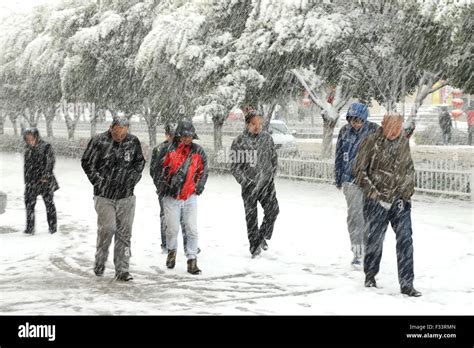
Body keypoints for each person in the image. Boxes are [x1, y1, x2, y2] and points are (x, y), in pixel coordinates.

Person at [353, 113, 421, 297]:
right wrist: (373, 192)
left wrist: (406, 193)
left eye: (398, 129)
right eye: (391, 128)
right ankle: (370, 275)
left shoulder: (403, 143)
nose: (394, 132)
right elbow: (358, 170)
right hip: (376, 200)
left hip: (400, 200)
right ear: (383, 126)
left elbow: (409, 170)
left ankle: (407, 284)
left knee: (406, 239)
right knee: (375, 239)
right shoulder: (371, 142)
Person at [81, 117, 145, 281]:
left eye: (123, 134)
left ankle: (122, 269)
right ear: (111, 128)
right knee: (107, 229)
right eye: (117, 133)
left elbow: (140, 162)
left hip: (126, 195)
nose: (120, 137)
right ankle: (100, 260)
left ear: (127, 130)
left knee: (125, 233)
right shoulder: (99, 141)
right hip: (104, 195)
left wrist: (133, 178)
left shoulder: (133, 142)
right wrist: (97, 180)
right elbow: (86, 162)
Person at [152, 120, 208, 275]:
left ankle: (192, 259)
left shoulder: (198, 151)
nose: (186, 139)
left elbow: (203, 171)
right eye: (183, 135)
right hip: (171, 196)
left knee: (192, 228)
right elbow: (157, 171)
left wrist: (198, 187)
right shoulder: (167, 150)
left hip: (190, 195)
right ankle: (171, 250)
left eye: (189, 136)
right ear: (178, 135)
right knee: (172, 228)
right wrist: (163, 187)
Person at [231, 110, 279, 258]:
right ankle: (254, 247)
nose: (257, 126)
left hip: (266, 183)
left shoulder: (267, 138)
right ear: (247, 124)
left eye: (259, 123)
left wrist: (270, 174)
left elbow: (273, 158)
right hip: (249, 186)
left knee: (273, 211)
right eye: (253, 124)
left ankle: (262, 236)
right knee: (251, 218)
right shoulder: (239, 141)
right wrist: (244, 180)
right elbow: (234, 167)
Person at [335, 102, 379, 266]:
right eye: (352, 120)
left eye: (359, 120)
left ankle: (369, 249)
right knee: (355, 216)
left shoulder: (374, 130)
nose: (355, 123)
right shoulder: (344, 132)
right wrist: (339, 177)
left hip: (370, 180)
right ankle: (357, 252)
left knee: (369, 216)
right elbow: (339, 155)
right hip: (350, 180)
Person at [23, 127, 59, 235]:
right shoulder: (27, 148)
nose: (28, 141)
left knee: (49, 205)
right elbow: (27, 165)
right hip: (31, 181)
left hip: (45, 181)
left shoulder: (46, 147)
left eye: (30, 138)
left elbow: (50, 161)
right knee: (29, 204)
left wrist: (46, 175)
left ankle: (52, 228)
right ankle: (30, 228)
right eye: (26, 139)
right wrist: (27, 179)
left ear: (36, 137)